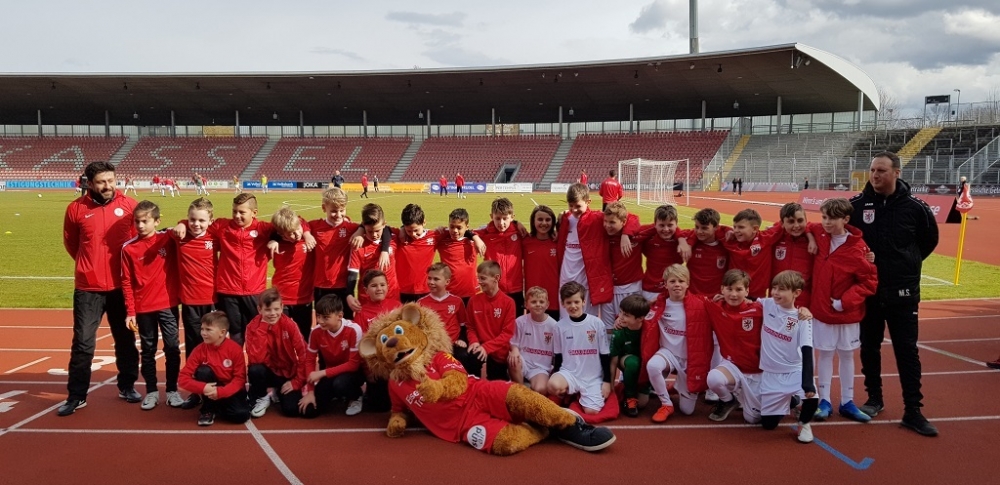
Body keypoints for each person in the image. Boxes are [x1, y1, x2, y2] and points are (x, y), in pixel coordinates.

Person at [848, 151, 940, 437]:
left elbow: (928, 241)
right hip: (869, 292)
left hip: (903, 291)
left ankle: (913, 410)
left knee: (907, 351)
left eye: (882, 171)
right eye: (873, 170)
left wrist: (906, 263)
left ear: (896, 173)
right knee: (869, 347)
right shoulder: (856, 206)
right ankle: (874, 399)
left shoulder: (916, 208)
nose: (875, 175)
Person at [58, 161, 141, 416]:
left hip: (121, 286)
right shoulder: (76, 209)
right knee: (83, 343)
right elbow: (71, 243)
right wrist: (89, 266)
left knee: (125, 339)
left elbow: (138, 241)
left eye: (111, 180)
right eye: (101, 182)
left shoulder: (129, 206)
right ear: (90, 183)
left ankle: (127, 386)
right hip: (88, 288)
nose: (108, 186)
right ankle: (77, 396)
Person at [806, 198, 878, 423]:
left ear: (846, 219)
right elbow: (808, 226)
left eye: (832, 219)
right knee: (825, 354)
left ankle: (847, 401)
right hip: (822, 311)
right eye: (824, 217)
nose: (827, 223)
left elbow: (869, 282)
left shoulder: (858, 248)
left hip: (847, 314)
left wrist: (844, 302)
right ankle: (824, 401)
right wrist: (811, 238)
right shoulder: (820, 234)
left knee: (847, 354)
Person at [120, 200, 183, 410]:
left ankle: (172, 390)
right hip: (143, 308)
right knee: (148, 351)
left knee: (172, 348)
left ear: (157, 221)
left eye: (145, 221)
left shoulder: (167, 239)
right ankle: (152, 391)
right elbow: (126, 282)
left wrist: (180, 225)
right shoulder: (128, 248)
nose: (140, 225)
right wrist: (130, 312)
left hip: (168, 305)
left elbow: (185, 229)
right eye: (137, 221)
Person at [640, 265, 713, 423]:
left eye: (681, 281)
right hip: (668, 353)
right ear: (665, 284)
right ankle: (666, 404)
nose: (677, 285)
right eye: (672, 281)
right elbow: (635, 313)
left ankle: (680, 385)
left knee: (687, 411)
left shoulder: (701, 304)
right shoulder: (659, 304)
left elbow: (722, 313)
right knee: (653, 366)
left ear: (688, 283)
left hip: (691, 360)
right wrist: (620, 320)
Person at [755, 270, 819, 443]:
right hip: (771, 374)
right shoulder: (767, 304)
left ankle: (804, 423)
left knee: (812, 398)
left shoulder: (802, 318)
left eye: (782, 289)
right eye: (774, 288)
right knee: (768, 425)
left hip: (793, 371)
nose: (776, 292)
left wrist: (808, 382)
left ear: (796, 293)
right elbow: (746, 300)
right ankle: (792, 401)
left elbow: (807, 349)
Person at [309, 187, 387, 321]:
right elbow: (297, 223)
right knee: (324, 322)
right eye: (333, 211)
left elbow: (383, 229)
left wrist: (360, 230)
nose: (338, 215)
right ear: (324, 208)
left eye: (342, 210)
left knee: (347, 323)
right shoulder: (314, 226)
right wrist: (306, 233)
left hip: (344, 286)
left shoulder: (351, 228)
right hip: (320, 286)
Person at [175, 197, 218, 409]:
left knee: (214, 347)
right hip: (190, 302)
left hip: (212, 301)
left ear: (211, 220)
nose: (196, 224)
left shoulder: (215, 236)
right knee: (193, 348)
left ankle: (217, 390)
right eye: (192, 219)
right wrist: (181, 223)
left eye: (201, 220)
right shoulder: (179, 236)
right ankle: (195, 392)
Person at [548, 282, 612, 416]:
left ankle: (577, 396)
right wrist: (556, 375)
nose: (573, 306)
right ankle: (569, 391)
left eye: (576, 302)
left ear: (583, 301)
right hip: (570, 374)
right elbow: (558, 356)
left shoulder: (597, 323)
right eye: (569, 302)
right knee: (553, 385)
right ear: (563, 304)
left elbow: (605, 355)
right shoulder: (559, 327)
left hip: (592, 377)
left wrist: (607, 381)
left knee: (592, 412)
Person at [177, 311, 251, 426]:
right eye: (202, 329)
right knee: (203, 371)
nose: (203, 333)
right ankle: (208, 409)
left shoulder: (235, 349)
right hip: (210, 388)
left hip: (229, 388)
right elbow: (182, 378)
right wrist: (203, 387)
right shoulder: (199, 350)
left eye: (208, 330)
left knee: (241, 415)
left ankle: (219, 406)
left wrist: (221, 392)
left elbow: (239, 379)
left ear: (222, 332)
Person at [245, 289, 310, 418]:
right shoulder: (252, 327)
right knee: (255, 370)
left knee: (291, 410)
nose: (273, 314)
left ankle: (277, 391)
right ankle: (263, 396)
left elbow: (304, 354)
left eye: (276, 309)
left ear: (282, 307)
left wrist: (296, 382)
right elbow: (255, 359)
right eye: (268, 310)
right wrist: (263, 327)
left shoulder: (290, 325)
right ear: (259, 310)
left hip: (287, 372)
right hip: (266, 371)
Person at [299, 294, 366, 418]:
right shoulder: (316, 332)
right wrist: (310, 392)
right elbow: (309, 360)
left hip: (352, 373)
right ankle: (336, 395)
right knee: (309, 411)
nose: (320, 321)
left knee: (340, 384)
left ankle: (356, 396)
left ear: (339, 316)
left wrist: (322, 373)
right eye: (318, 316)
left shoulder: (353, 329)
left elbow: (353, 364)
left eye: (325, 317)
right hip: (331, 373)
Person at [557, 183, 615, 319]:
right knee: (565, 319)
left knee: (587, 319)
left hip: (587, 280)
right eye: (571, 205)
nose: (574, 209)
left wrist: (626, 234)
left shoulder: (597, 218)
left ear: (588, 202)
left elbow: (628, 218)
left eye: (578, 206)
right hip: (566, 277)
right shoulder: (565, 219)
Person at [268, 207, 316, 339]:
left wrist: (306, 233)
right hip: (281, 299)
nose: (296, 235)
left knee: (304, 336)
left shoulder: (308, 239)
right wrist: (272, 240)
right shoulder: (275, 244)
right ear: (280, 234)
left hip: (304, 298)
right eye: (291, 234)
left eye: (297, 230)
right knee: (281, 337)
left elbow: (301, 220)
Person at [466, 261, 517, 381]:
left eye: (483, 278)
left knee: (497, 385)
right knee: (471, 362)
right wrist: (474, 342)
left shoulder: (508, 303)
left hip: (498, 351)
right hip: (479, 347)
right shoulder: (473, 301)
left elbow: (507, 333)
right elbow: (470, 327)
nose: (479, 282)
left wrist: (487, 347)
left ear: (496, 278)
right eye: (478, 278)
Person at [475, 197, 525, 315]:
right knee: (493, 322)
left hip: (516, 289)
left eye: (505, 218)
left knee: (516, 323)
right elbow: (465, 232)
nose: (501, 223)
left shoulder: (519, 232)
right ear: (491, 216)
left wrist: (517, 223)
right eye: (497, 218)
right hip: (493, 289)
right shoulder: (486, 232)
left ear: (512, 217)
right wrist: (475, 237)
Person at [346, 203, 400, 312]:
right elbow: (352, 274)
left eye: (377, 231)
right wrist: (349, 294)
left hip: (392, 297)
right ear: (364, 226)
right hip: (367, 300)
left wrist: (384, 250)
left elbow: (396, 230)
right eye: (370, 231)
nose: (374, 235)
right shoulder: (359, 245)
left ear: (384, 224)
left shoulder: (394, 238)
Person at [600, 202, 643, 330]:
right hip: (607, 288)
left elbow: (634, 218)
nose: (607, 225)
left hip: (631, 287)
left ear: (624, 222)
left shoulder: (636, 235)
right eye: (605, 221)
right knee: (608, 328)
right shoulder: (603, 233)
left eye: (612, 222)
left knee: (630, 327)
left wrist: (626, 234)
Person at [508, 286, 557, 392]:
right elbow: (514, 342)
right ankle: (520, 391)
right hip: (523, 362)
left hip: (540, 368)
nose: (538, 304)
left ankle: (532, 387)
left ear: (547, 304)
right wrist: (515, 350)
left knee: (541, 389)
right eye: (534, 302)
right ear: (526, 305)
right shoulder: (520, 321)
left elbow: (557, 352)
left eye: (541, 302)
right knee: (512, 359)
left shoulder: (554, 326)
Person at [610, 294, 650, 417]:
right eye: (621, 312)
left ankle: (642, 385)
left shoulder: (650, 328)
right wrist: (611, 388)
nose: (620, 317)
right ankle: (629, 397)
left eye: (626, 315)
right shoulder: (619, 331)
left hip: (645, 364)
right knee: (633, 363)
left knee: (642, 404)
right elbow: (613, 361)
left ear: (640, 318)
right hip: (626, 360)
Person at [771, 202, 815, 308]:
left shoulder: (815, 240)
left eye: (800, 220)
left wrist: (810, 236)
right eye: (791, 221)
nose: (796, 225)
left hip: (803, 302)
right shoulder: (774, 238)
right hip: (777, 301)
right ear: (782, 223)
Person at [521, 205, 560, 320]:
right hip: (533, 299)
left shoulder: (558, 242)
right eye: (540, 219)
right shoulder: (525, 242)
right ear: (533, 221)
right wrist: (515, 222)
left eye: (548, 220)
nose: (544, 223)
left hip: (553, 299)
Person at [436, 208, 481, 303]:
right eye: (452, 227)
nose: (455, 230)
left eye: (459, 227)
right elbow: (421, 232)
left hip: (471, 292)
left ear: (467, 227)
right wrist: (404, 228)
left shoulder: (474, 240)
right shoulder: (442, 239)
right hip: (449, 293)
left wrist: (475, 237)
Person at [396, 204, 436, 303]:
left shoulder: (434, 236)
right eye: (409, 231)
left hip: (425, 290)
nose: (413, 234)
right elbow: (381, 227)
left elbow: (458, 229)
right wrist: (360, 230)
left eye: (416, 230)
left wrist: (472, 236)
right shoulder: (398, 236)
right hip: (402, 291)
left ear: (424, 222)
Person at [685, 208, 729, 296]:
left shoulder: (726, 244)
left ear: (716, 227)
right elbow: (675, 232)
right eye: (697, 227)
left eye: (704, 228)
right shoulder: (690, 241)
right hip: (693, 297)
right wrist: (683, 242)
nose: (699, 231)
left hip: (717, 297)